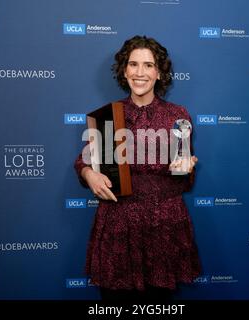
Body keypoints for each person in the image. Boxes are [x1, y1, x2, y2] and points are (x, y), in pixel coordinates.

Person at [74, 35, 201, 302]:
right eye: (133, 64)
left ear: (159, 73)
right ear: (124, 70)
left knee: (159, 303)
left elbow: (183, 180)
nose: (140, 72)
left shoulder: (177, 116)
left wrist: (187, 167)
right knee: (115, 301)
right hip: (118, 221)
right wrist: (89, 174)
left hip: (163, 222)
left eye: (148, 65)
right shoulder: (108, 114)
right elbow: (84, 160)